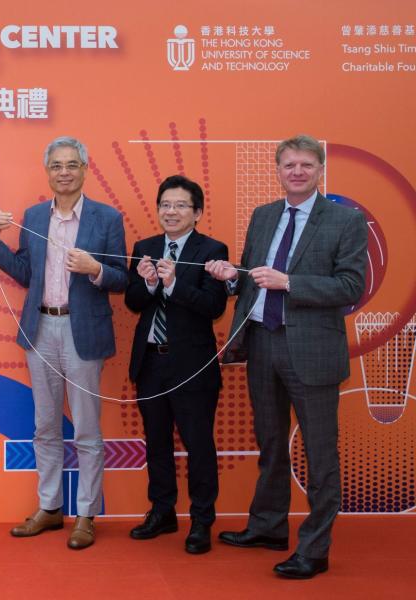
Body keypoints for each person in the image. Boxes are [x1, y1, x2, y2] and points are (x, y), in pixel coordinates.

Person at [205, 135, 368, 579]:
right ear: (278, 170)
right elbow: (250, 278)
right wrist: (229, 277)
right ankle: (268, 526)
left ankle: (314, 550)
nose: (297, 171)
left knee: (319, 454)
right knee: (272, 445)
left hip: (312, 351)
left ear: (320, 171)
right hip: (261, 344)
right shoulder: (263, 216)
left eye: (306, 165)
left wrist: (291, 282)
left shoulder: (344, 221)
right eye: (289, 165)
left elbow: (352, 287)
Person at [0, 136, 127, 550]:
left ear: (85, 169)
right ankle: (49, 509)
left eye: (72, 165)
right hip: (41, 329)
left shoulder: (106, 218)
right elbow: (29, 274)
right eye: (56, 166)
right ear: (47, 171)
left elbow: (122, 277)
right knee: (45, 426)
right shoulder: (33, 215)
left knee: (85, 428)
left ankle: (86, 513)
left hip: (83, 332)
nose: (64, 172)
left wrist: (96, 268)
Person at [124, 175, 228, 554]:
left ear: (197, 212)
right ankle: (162, 511)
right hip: (151, 362)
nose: (171, 211)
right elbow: (134, 303)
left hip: (192, 367)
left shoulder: (212, 249)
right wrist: (150, 284)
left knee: (198, 444)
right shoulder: (145, 247)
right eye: (166, 204)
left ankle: (202, 520)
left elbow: (214, 307)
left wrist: (172, 285)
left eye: (181, 205)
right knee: (157, 443)